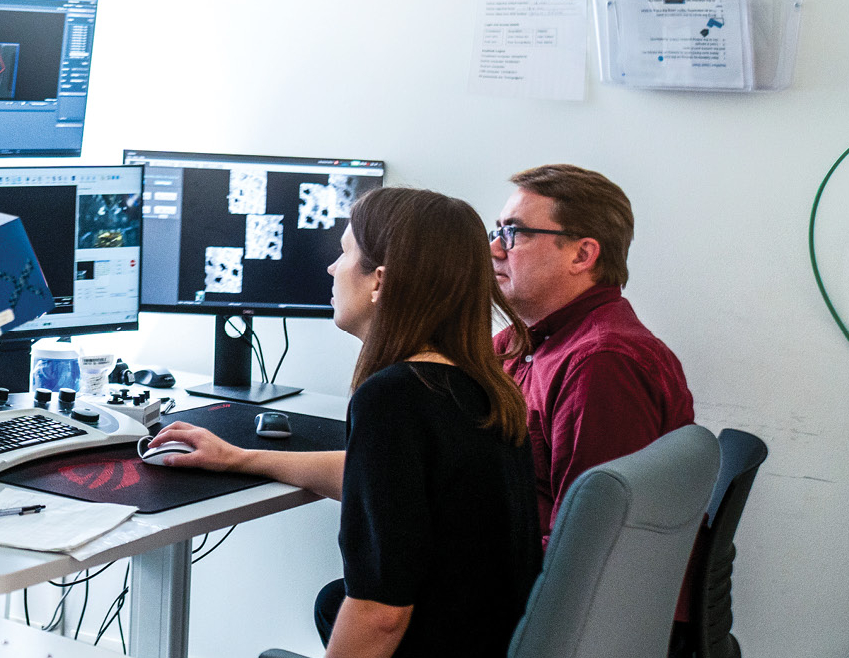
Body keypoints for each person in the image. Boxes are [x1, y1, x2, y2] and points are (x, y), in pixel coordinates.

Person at [151, 187, 541, 658]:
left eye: (343, 253)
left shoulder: (395, 397)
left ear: (380, 281)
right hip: (488, 642)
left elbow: (381, 614)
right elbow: (387, 481)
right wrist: (241, 458)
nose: (332, 270)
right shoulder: (480, 387)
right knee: (331, 602)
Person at [488, 164, 695, 546]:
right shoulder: (523, 342)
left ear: (582, 255)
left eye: (513, 233)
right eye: (498, 230)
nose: (495, 248)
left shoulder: (602, 364)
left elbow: (587, 546)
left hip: (550, 596)